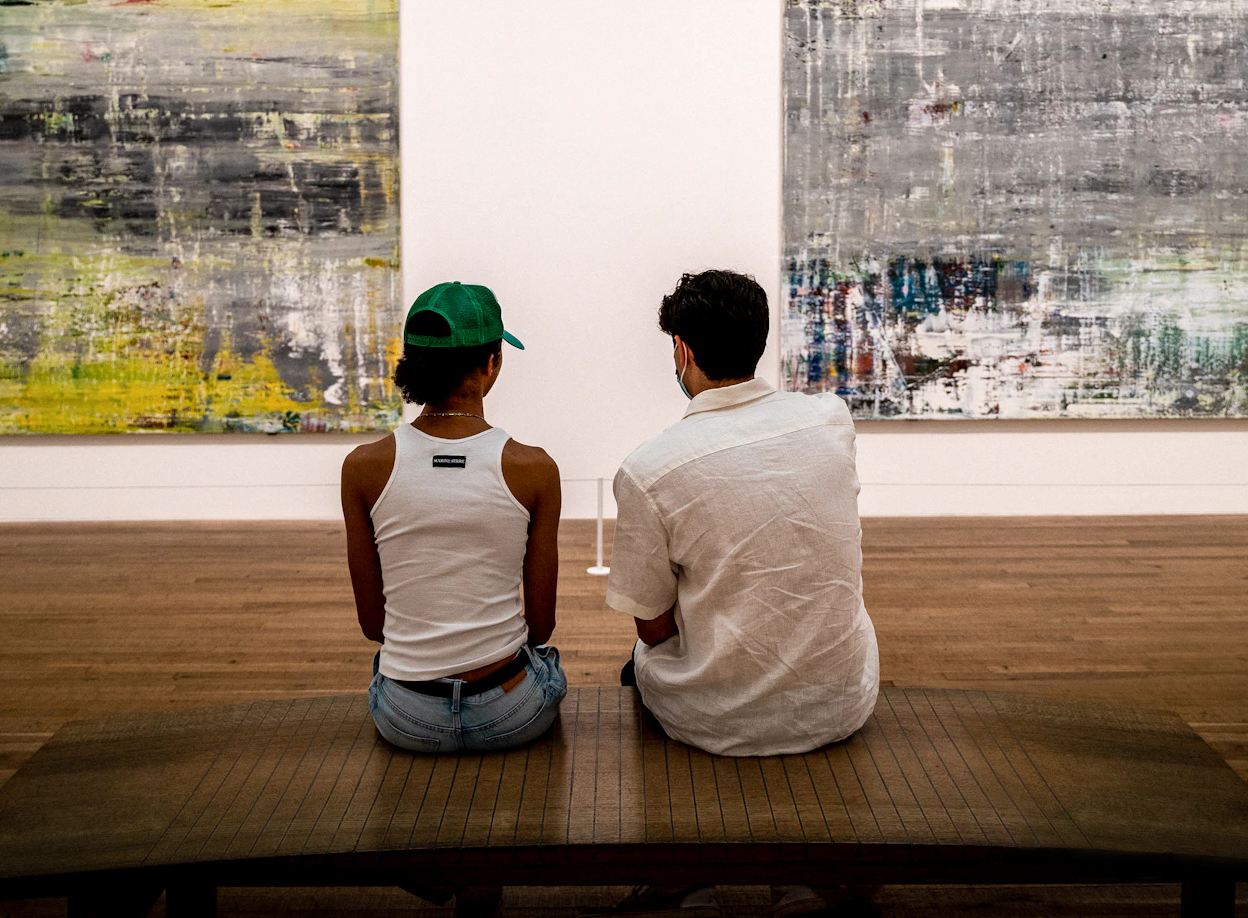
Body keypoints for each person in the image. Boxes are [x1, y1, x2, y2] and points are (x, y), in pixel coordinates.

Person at [602, 269, 880, 917]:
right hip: (838, 696)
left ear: (682, 351)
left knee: (634, 672)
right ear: (759, 341)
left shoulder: (649, 469)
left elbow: (652, 627)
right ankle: (806, 881)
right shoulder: (830, 421)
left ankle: (683, 881)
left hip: (716, 714)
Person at [341, 280, 568, 759]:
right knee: (545, 662)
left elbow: (373, 624)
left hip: (407, 717)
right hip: (510, 712)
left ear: (414, 361)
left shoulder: (362, 467)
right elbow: (542, 626)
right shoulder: (534, 469)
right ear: (491, 363)